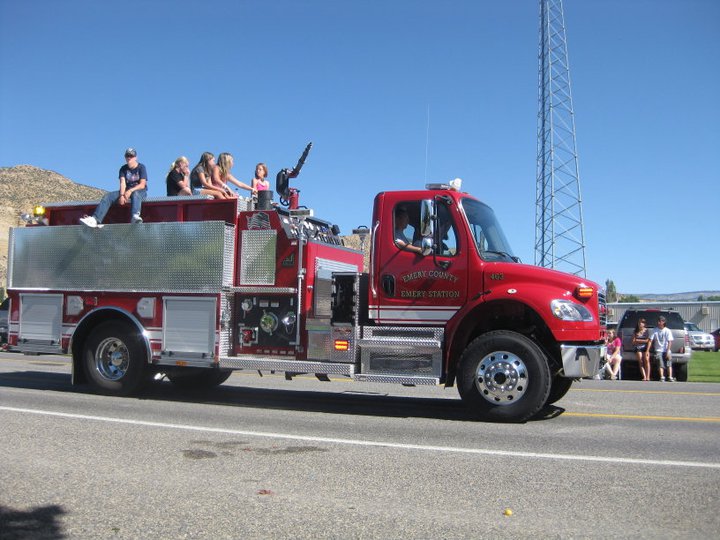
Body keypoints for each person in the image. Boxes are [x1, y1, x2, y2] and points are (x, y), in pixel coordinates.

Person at [80, 148, 147, 227]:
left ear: (135, 157)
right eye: (127, 156)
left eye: (131, 156)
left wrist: (130, 191)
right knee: (108, 197)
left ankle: (135, 216)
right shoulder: (123, 169)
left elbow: (142, 184)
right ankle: (95, 219)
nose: (129, 158)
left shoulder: (141, 167)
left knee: (135, 194)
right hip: (125, 191)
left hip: (139, 191)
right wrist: (122, 195)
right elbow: (122, 183)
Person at [650, 316, 675, 382]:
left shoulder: (667, 330)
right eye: (658, 321)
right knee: (660, 363)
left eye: (660, 321)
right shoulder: (655, 330)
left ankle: (670, 376)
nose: (658, 322)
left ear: (663, 322)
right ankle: (662, 377)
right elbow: (650, 340)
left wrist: (668, 351)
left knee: (669, 363)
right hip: (658, 350)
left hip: (666, 349)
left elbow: (670, 341)